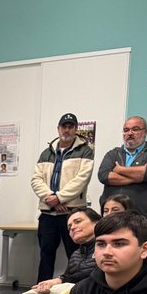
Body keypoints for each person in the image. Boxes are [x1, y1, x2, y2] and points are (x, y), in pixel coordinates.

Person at [31, 112, 94, 282]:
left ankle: (76, 290)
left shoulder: (85, 151)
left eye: (71, 127)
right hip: (48, 214)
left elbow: (81, 180)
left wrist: (59, 198)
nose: (67, 130)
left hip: (71, 214)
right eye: (64, 126)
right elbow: (36, 179)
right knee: (45, 255)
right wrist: (51, 198)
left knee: (76, 256)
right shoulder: (46, 153)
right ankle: (42, 289)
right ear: (58, 129)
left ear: (76, 129)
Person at [96, 116, 147, 233]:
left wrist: (119, 169)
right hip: (111, 216)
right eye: (126, 130)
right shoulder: (113, 154)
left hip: (142, 217)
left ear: (145, 132)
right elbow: (103, 176)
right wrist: (139, 175)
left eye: (135, 129)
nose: (130, 133)